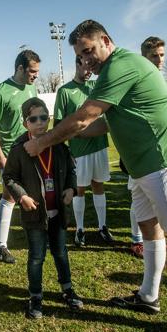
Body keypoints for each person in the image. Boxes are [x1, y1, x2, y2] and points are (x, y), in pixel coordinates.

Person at [24, 19, 167, 332]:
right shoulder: (113, 70)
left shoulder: (121, 64)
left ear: (106, 40)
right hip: (143, 166)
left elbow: (87, 115)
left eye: (89, 51)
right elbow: (103, 125)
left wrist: (42, 142)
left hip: (164, 161)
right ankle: (148, 295)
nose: (86, 60)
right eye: (81, 56)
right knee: (148, 227)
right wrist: (56, 135)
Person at [3, 97, 83, 319]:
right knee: (36, 257)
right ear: (25, 122)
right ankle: (35, 296)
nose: (39, 122)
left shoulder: (58, 144)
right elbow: (9, 177)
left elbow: (71, 170)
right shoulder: (19, 149)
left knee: (61, 253)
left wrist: (71, 188)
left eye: (44, 117)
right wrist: (22, 197)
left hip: (57, 212)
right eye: (33, 119)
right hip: (34, 215)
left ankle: (67, 290)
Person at [0, 50, 40, 264]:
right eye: (32, 71)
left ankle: (35, 236)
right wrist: (0, 157)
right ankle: (1, 246)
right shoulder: (0, 91)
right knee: (9, 198)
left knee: (35, 193)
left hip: (31, 151)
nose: (36, 75)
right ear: (20, 68)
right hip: (10, 155)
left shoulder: (32, 88)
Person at [129, 36, 167, 258]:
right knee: (138, 195)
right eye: (154, 56)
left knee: (155, 200)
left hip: (162, 151)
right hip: (139, 151)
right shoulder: (134, 79)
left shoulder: (164, 82)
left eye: (161, 55)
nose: (159, 60)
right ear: (144, 56)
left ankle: (156, 239)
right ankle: (136, 239)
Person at [54, 56, 112, 246]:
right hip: (79, 151)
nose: (89, 70)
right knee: (80, 190)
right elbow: (59, 123)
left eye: (91, 67)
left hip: (100, 146)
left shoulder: (96, 87)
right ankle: (80, 229)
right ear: (77, 64)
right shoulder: (65, 91)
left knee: (98, 185)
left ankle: (102, 226)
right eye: (85, 66)